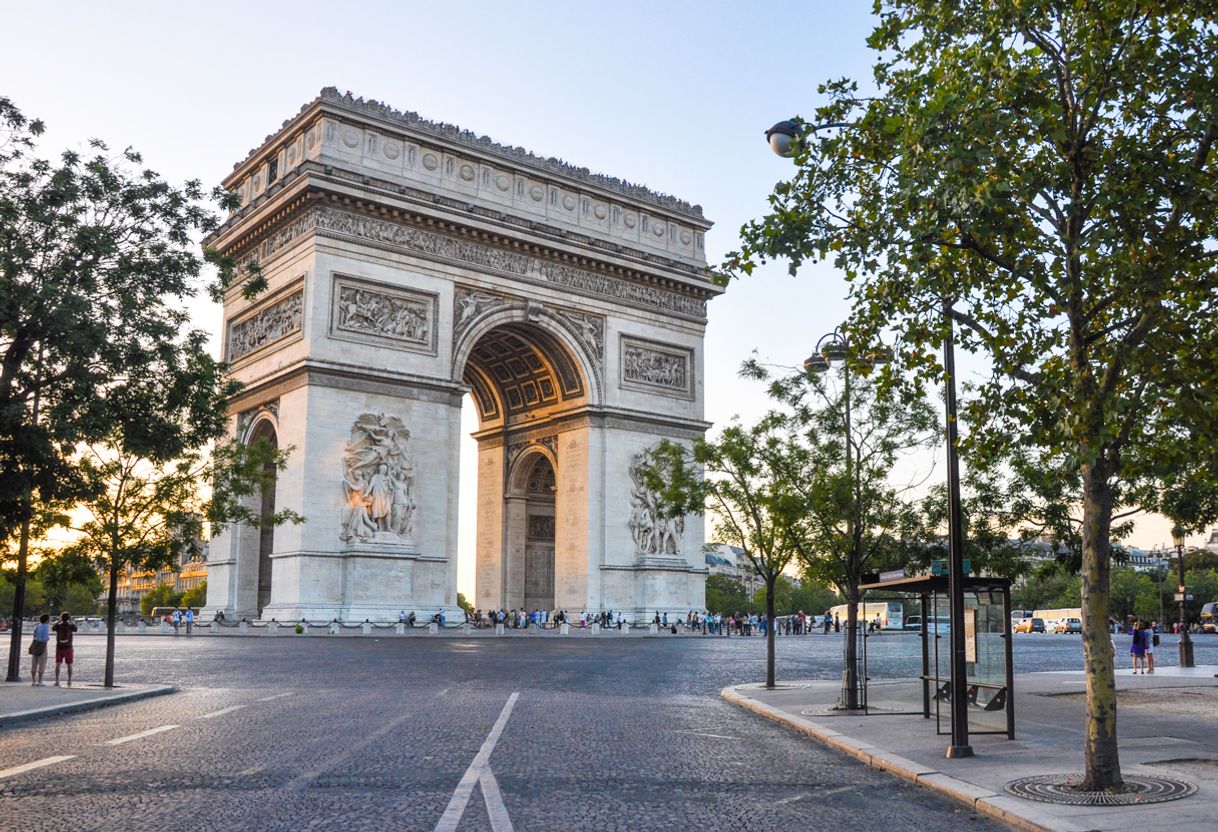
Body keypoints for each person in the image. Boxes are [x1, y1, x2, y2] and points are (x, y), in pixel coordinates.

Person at [52, 612, 77, 687]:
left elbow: (53, 628)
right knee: (69, 664)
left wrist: (58, 621)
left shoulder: (58, 626)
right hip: (68, 647)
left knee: (58, 664)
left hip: (59, 647)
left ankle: (57, 680)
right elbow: (76, 629)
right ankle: (69, 680)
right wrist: (71, 621)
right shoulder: (71, 626)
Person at [29, 613, 50, 686]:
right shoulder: (45, 627)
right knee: (42, 663)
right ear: (47, 620)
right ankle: (40, 680)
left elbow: (34, 635)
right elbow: (45, 638)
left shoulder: (38, 626)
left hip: (35, 645)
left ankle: (33, 680)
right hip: (42, 646)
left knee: (34, 663)